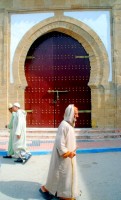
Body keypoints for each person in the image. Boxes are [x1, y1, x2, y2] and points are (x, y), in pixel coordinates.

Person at [39, 104, 80, 200]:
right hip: (64, 157)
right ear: (70, 114)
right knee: (62, 174)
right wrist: (67, 152)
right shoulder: (64, 125)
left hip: (70, 156)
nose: (77, 116)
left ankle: (61, 191)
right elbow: (59, 143)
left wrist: (73, 147)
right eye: (75, 114)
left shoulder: (69, 125)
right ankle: (63, 194)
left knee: (63, 175)